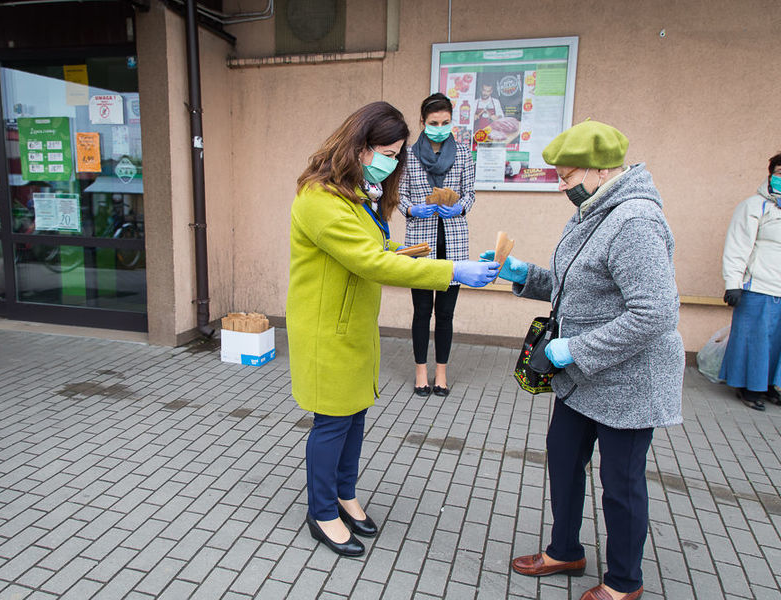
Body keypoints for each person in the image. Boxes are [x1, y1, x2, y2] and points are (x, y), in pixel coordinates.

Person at [287, 101, 499, 558]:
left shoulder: (358, 193)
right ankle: (321, 511)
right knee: (332, 421)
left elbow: (376, 247)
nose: (392, 160)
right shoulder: (320, 198)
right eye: (386, 150)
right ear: (358, 146)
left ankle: (345, 495)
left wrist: (410, 249)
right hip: (327, 329)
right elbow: (368, 260)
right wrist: (451, 271)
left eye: (398, 152)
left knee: (356, 413)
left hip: (354, 324)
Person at [486, 120, 684, 600]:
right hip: (580, 382)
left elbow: (654, 312)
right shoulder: (594, 212)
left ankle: (623, 583)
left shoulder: (634, 220)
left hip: (629, 383)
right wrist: (523, 275)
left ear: (600, 170)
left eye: (567, 175)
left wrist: (576, 348)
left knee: (621, 485)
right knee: (563, 460)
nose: (561, 185)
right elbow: (574, 283)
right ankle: (565, 550)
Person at [720, 149, 781, 410]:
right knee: (756, 341)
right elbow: (737, 247)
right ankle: (749, 389)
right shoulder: (754, 206)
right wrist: (733, 284)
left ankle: (772, 386)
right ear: (771, 175)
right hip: (761, 288)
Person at [398, 93, 476, 397]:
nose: (440, 128)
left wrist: (460, 207)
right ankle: (420, 371)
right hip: (421, 240)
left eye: (445, 122)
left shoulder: (463, 153)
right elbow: (399, 195)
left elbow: (470, 193)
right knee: (421, 310)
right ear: (422, 122)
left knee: (445, 312)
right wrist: (412, 209)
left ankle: (441, 372)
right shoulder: (407, 155)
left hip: (453, 241)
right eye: (434, 123)